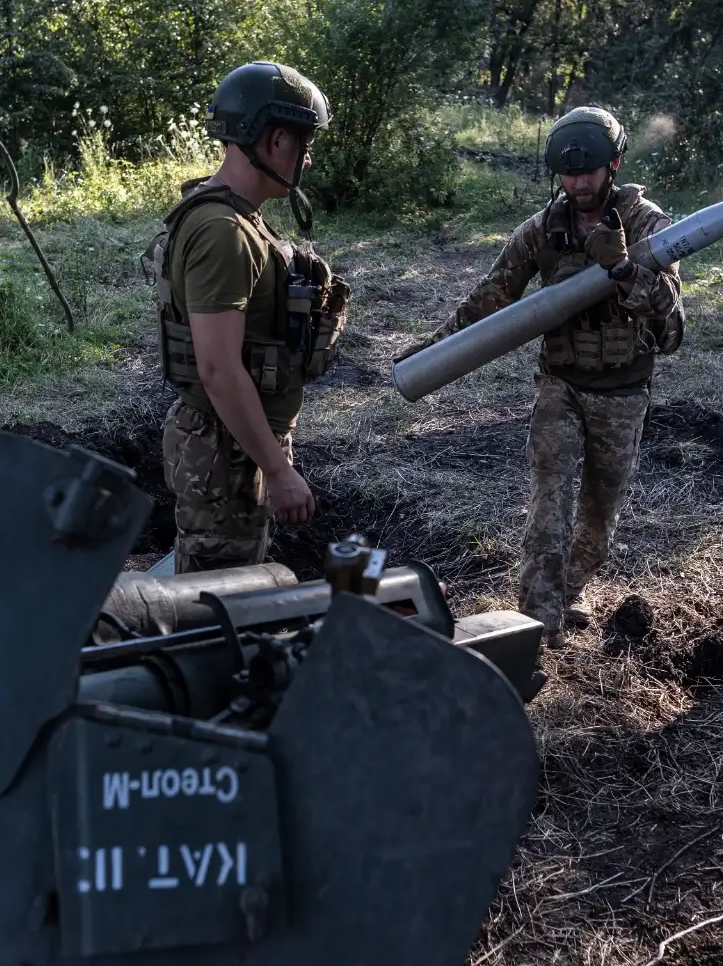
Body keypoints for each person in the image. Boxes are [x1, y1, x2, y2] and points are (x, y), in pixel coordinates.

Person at [398, 106, 683, 647]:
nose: (578, 184)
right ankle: (535, 630)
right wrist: (431, 350)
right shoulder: (543, 231)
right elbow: (491, 296)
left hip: (623, 393)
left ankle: (563, 594)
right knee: (548, 511)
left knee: (596, 531)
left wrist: (623, 271)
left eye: (589, 172)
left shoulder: (648, 224)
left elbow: (671, 324)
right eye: (568, 174)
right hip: (561, 385)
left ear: (614, 164)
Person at [144, 61, 350, 573]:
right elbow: (217, 368)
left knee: (222, 590)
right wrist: (278, 472)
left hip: (232, 443)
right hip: (224, 450)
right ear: (277, 139)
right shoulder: (223, 232)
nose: (309, 157)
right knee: (218, 603)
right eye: (306, 142)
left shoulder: (233, 218)